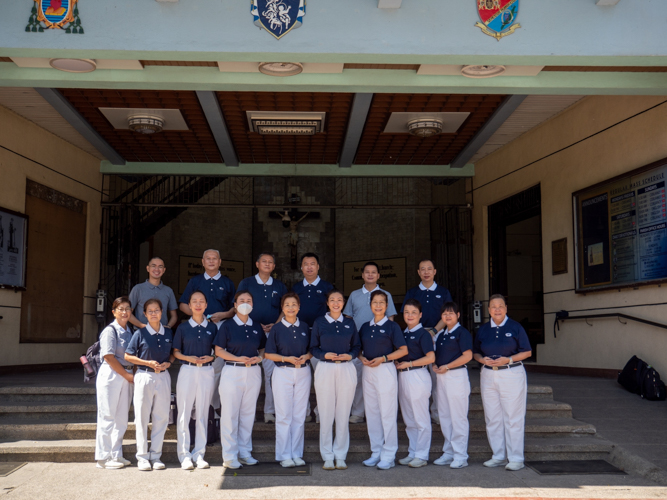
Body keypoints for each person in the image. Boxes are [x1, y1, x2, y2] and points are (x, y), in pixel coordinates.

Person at [473, 294, 532, 471]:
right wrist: (482, 360)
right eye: (493, 306)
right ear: (489, 310)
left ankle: (515, 458)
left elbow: (527, 351)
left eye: (500, 306)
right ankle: (498, 455)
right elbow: (475, 352)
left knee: (513, 417)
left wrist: (508, 360)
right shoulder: (483, 329)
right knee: (492, 417)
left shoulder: (515, 327)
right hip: (489, 375)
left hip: (511, 373)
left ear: (506, 308)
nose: (497, 309)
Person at [179, 249, 236, 412]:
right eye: (208, 258)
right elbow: (183, 304)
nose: (211, 261)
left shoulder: (227, 282)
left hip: (220, 326)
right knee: (201, 364)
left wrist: (224, 314)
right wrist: (198, 314)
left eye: (214, 258)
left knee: (217, 366)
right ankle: (199, 405)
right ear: (202, 262)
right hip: (199, 326)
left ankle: (214, 406)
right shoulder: (195, 281)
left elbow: (235, 307)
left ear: (220, 262)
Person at [213, 291, 265, 469]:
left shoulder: (256, 326)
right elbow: (219, 350)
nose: (245, 303)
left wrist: (259, 359)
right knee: (230, 415)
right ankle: (229, 455)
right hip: (232, 372)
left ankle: (244, 452)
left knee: (248, 414)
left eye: (248, 301)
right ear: (234, 305)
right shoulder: (227, 325)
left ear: (252, 305)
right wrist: (238, 358)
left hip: (253, 372)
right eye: (241, 301)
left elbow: (263, 349)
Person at [310, 289, 361, 471]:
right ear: (327, 302)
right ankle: (327, 456)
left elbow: (357, 346)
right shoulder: (320, 322)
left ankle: (340, 455)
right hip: (325, 367)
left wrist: (351, 355)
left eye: (339, 299)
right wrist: (324, 355)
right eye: (332, 299)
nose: (336, 303)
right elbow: (313, 348)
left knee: (342, 413)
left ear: (344, 302)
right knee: (325, 413)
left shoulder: (349, 322)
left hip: (346, 368)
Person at [357, 290, 407, 470]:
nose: (378, 306)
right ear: (370, 305)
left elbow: (403, 350)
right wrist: (361, 358)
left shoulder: (392, 327)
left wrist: (384, 358)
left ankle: (389, 454)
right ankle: (376, 452)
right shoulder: (365, 327)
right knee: (372, 413)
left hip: (385, 369)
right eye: (375, 302)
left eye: (382, 302)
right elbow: (358, 349)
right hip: (368, 370)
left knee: (387, 413)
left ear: (387, 306)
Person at [342, 261, 397, 423]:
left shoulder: (385, 294)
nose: (370, 274)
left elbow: (391, 318)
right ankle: (358, 412)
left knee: (381, 382)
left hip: (380, 343)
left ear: (378, 275)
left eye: (374, 272)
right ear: (362, 275)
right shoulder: (354, 295)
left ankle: (379, 414)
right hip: (359, 343)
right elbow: (348, 318)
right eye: (367, 272)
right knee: (358, 379)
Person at [124, 298, 175, 471]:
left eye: (157, 310)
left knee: (161, 417)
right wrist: (147, 363)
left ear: (162, 313)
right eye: (150, 311)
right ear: (144, 314)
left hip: (163, 377)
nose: (154, 313)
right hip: (144, 377)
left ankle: (156, 455)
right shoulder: (140, 333)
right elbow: (128, 356)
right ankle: (142, 457)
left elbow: (174, 353)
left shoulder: (168, 333)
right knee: (142, 417)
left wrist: (169, 363)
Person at [237, 253, 288, 423]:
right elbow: (239, 305)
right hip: (250, 331)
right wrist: (254, 324)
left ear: (274, 266)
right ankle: (241, 412)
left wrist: (277, 324)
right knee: (246, 371)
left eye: (270, 262)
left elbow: (285, 308)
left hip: (273, 333)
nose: (267, 264)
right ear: (257, 264)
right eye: (264, 261)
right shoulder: (246, 283)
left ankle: (269, 411)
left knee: (271, 373)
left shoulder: (279, 286)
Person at [401, 259, 453, 423]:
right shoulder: (413, 292)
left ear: (435, 271)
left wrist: (434, 331)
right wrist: (421, 332)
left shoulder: (443, 292)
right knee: (420, 373)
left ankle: (437, 413)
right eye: (422, 269)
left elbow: (448, 315)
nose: (426, 272)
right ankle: (419, 413)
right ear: (418, 272)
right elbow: (407, 315)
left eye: (429, 269)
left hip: (438, 334)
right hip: (417, 335)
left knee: (437, 375)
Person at [264, 292, 312, 468]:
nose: (290, 308)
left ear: (299, 307)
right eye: (287, 305)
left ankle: (297, 453)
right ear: (282, 309)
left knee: (299, 415)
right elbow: (268, 354)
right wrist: (287, 359)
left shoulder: (305, 327)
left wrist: (306, 356)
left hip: (303, 372)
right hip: (282, 372)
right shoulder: (276, 329)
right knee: (284, 415)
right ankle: (284, 455)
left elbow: (312, 349)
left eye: (294, 304)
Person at [172, 291, 217, 470]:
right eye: (194, 302)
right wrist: (189, 358)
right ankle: (184, 455)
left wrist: (211, 358)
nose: (198, 304)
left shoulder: (212, 327)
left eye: (201, 301)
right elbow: (175, 352)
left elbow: (216, 351)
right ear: (189, 306)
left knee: (202, 413)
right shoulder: (183, 327)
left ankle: (199, 453)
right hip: (188, 371)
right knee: (183, 413)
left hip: (206, 372)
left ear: (206, 305)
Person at [291, 252, 333, 423]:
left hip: (320, 336)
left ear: (318, 267)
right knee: (300, 374)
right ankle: (305, 411)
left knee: (321, 375)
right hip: (299, 334)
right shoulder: (296, 288)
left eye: (312, 264)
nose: (309, 267)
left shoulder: (327, 287)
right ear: (301, 267)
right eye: (306, 264)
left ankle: (321, 411)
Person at [95, 296, 135, 469]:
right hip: (111, 375)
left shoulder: (129, 331)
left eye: (127, 308)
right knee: (107, 416)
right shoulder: (110, 330)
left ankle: (116, 454)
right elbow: (109, 357)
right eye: (121, 309)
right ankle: (103, 458)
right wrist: (127, 376)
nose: (125, 312)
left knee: (121, 418)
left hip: (126, 375)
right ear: (114, 312)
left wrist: (129, 374)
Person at [432, 301, 473, 469]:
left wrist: (448, 366)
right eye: (444, 314)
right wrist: (435, 366)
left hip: (456, 376)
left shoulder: (462, 333)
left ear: (458, 315)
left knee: (458, 417)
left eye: (451, 313)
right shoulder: (441, 335)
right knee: (445, 416)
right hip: (441, 377)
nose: (447, 316)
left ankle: (460, 455)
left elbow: (468, 355)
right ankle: (448, 452)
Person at [396, 299, 435, 468]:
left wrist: (410, 364)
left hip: (418, 375)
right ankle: (413, 452)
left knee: (421, 418)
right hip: (403, 376)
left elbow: (431, 358)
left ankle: (422, 455)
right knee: (409, 419)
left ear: (420, 315)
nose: (410, 315)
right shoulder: (403, 334)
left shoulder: (423, 334)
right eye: (406, 312)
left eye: (413, 312)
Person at [129, 257, 178, 330]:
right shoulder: (138, 289)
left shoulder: (169, 291)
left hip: (162, 333)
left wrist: (168, 327)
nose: (157, 269)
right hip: (141, 333)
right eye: (153, 266)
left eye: (160, 267)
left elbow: (174, 316)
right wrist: (143, 326)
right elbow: (128, 313)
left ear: (164, 270)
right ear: (148, 268)